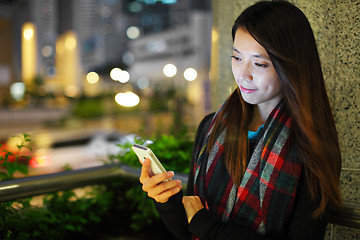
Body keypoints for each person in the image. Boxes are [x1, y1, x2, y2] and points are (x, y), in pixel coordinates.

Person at [139, 1, 342, 239]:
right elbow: (188, 230)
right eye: (237, 58)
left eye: (260, 63)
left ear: (292, 66)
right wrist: (166, 201)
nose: (243, 75)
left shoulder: (313, 146)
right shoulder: (212, 127)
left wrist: (209, 227)